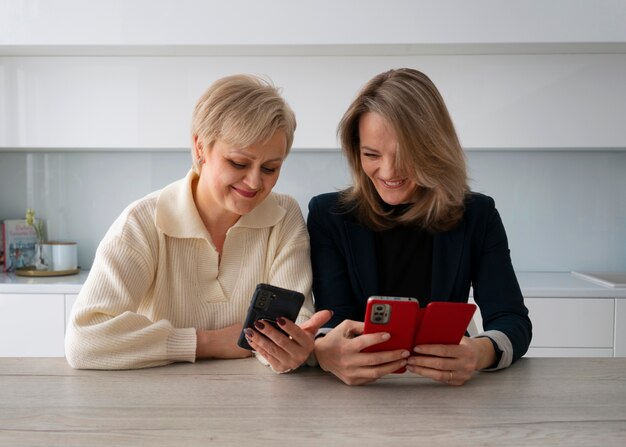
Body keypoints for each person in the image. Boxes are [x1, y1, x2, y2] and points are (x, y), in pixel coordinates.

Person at [65, 74, 330, 371]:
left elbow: (295, 326)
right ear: (200, 147)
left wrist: (294, 350)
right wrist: (208, 342)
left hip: (256, 403)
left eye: (270, 168)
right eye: (238, 163)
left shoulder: (283, 216)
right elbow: (84, 341)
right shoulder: (142, 223)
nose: (255, 182)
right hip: (159, 404)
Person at [308, 68, 532, 386]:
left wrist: (480, 353)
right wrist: (326, 352)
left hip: (446, 387)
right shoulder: (328, 215)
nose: (388, 172)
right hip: (362, 392)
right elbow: (334, 320)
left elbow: (511, 320)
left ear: (433, 150)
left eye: (405, 156)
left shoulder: (478, 215)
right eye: (371, 154)